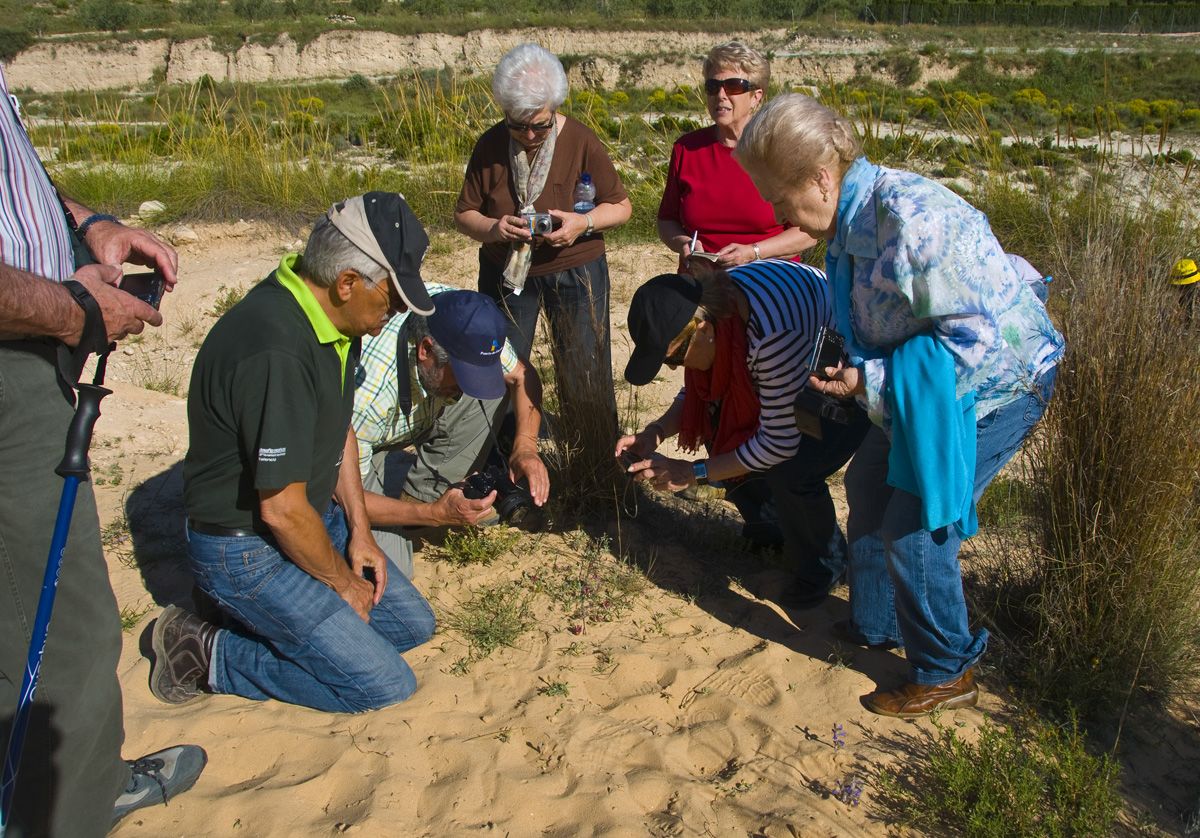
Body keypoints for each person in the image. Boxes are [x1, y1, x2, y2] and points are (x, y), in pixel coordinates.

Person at [736, 94, 1065, 718]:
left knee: (915, 530)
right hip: (914, 391)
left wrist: (868, 380)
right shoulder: (846, 223)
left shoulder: (911, 222)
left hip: (992, 390)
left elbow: (972, 346)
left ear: (821, 178)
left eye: (780, 199)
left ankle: (946, 670)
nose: (776, 215)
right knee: (867, 486)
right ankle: (877, 622)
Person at [0, 64, 205, 835]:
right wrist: (73, 310)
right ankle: (70, 809)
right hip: (13, 360)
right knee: (65, 631)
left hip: (27, 348)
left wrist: (90, 225)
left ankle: (81, 786)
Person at [152, 193, 437, 714]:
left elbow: (340, 429)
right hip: (246, 550)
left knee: (411, 627)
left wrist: (359, 530)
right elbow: (281, 510)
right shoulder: (277, 349)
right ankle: (206, 650)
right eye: (392, 300)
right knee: (382, 685)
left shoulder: (334, 319)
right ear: (346, 282)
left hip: (313, 517)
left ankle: (265, 621)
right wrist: (341, 582)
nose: (395, 313)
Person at [616, 260, 869, 606]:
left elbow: (778, 443)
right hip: (797, 357)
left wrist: (694, 472)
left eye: (674, 358)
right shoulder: (716, 310)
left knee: (794, 470)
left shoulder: (771, 336)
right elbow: (698, 392)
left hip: (854, 374)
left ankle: (827, 566)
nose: (674, 369)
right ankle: (774, 530)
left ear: (703, 329)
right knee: (726, 428)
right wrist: (655, 433)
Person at [454, 42, 631, 423]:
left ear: (555, 108)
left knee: (584, 367)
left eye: (540, 125)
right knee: (501, 364)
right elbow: (464, 214)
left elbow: (621, 206)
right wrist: (495, 228)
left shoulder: (581, 140)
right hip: (507, 273)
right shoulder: (490, 145)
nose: (530, 135)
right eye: (518, 125)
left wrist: (582, 223)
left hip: (575, 268)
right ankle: (507, 444)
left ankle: (591, 447)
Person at [353, 286, 550, 576]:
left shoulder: (467, 320)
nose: (466, 391)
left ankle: (422, 494)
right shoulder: (368, 398)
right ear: (426, 350)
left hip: (411, 413)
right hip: (353, 453)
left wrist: (526, 448)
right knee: (392, 575)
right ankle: (418, 504)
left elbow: (521, 374)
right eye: (463, 377)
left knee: (493, 386)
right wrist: (433, 515)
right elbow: (344, 495)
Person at [657, 41, 817, 272]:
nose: (720, 95)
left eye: (733, 86)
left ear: (756, 96)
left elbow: (808, 232)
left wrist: (753, 252)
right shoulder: (687, 149)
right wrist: (683, 243)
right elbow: (667, 220)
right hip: (702, 280)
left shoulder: (781, 149)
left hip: (768, 277)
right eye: (713, 86)